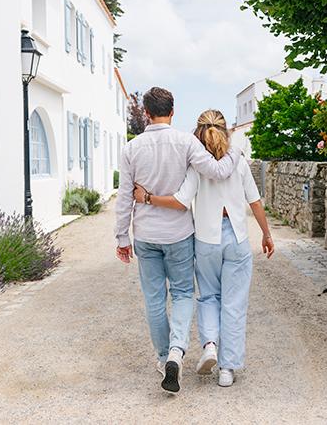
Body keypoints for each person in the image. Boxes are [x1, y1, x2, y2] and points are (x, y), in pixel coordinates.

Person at [133, 109, 274, 388]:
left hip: (206, 240)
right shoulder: (239, 163)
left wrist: (147, 197)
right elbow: (255, 202)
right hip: (236, 238)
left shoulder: (197, 166)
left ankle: (210, 345)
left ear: (198, 133)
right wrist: (267, 234)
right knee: (233, 305)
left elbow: (180, 202)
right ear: (226, 131)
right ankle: (227, 369)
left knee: (208, 297)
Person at [114, 88, 241, 395]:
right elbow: (219, 170)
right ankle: (176, 351)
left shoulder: (132, 149)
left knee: (154, 300)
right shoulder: (186, 143)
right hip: (179, 235)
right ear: (173, 111)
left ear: (146, 113)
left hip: (145, 235)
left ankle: (163, 358)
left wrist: (122, 237)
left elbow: (123, 197)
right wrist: (236, 151)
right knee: (183, 293)